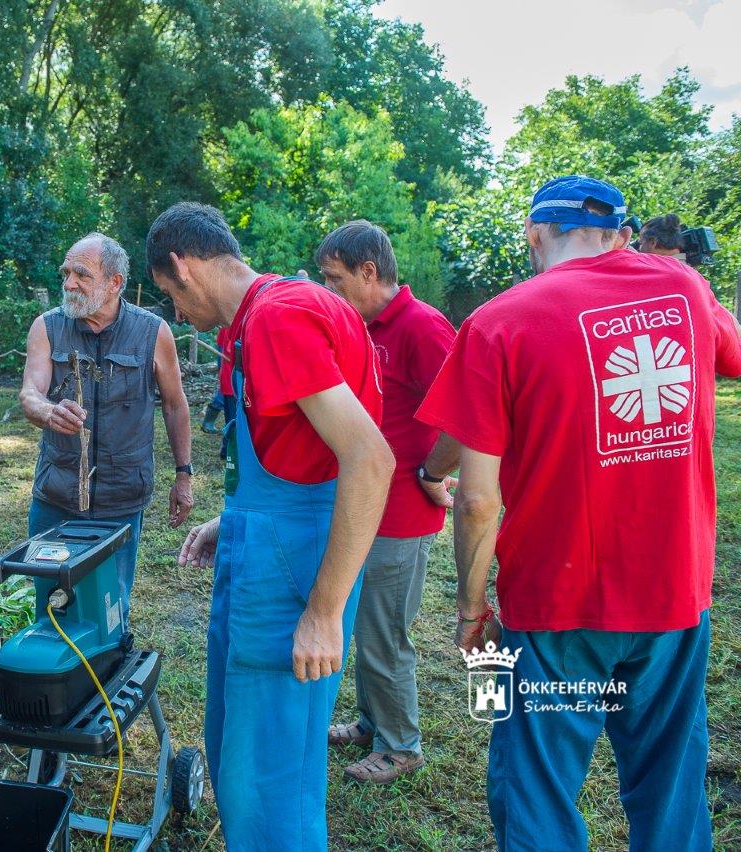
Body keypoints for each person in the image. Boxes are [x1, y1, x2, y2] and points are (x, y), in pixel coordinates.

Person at [416, 175, 741, 852]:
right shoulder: (686, 290)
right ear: (623, 236)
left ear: (534, 235)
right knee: (671, 783)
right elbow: (730, 355)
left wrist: (472, 612)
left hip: (552, 610)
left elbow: (477, 499)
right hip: (674, 596)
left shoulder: (499, 320)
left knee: (535, 787)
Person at [149, 202, 394, 850]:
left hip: (292, 583)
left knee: (269, 790)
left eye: (169, 295)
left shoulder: (279, 319)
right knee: (241, 768)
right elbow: (294, 456)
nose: (175, 314)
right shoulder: (252, 322)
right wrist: (230, 522)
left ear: (183, 265)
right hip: (261, 557)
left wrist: (324, 609)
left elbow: (370, 460)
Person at [317, 220, 457, 783]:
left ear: (369, 272)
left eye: (335, 279)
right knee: (363, 624)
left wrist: (431, 474)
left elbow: (466, 411)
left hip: (401, 513)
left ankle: (402, 746)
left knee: (383, 634)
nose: (329, 291)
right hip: (362, 507)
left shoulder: (422, 328)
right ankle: (371, 722)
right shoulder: (362, 325)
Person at [19, 232, 194, 622]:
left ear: (115, 282)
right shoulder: (47, 327)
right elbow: (30, 393)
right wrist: (47, 412)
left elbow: (175, 404)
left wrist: (183, 475)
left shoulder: (153, 332)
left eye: (81, 274)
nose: (68, 283)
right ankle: (54, 680)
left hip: (121, 500)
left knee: (111, 607)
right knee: (52, 604)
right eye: (66, 273)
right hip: (56, 499)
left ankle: (103, 679)